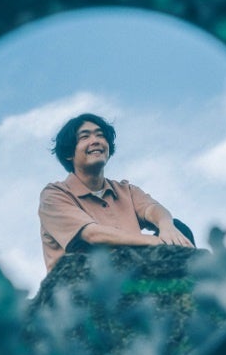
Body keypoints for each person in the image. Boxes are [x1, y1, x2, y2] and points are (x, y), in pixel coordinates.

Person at [38, 113, 195, 272]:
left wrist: (166, 226)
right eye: (85, 137)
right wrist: (155, 242)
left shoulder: (126, 190)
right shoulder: (54, 195)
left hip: (132, 268)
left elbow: (153, 209)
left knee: (179, 229)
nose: (95, 140)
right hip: (87, 278)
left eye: (100, 135)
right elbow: (93, 236)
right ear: (68, 153)